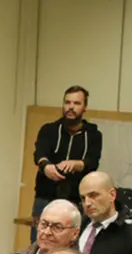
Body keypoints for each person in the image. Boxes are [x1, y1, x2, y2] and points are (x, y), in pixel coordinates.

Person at [31, 85, 102, 242]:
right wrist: (46, 166)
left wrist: (77, 164)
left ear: (84, 107)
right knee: (39, 242)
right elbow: (39, 154)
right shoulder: (49, 130)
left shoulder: (93, 134)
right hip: (45, 196)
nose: (71, 107)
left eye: (76, 103)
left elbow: (92, 161)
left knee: (72, 245)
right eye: (67, 102)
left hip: (76, 199)